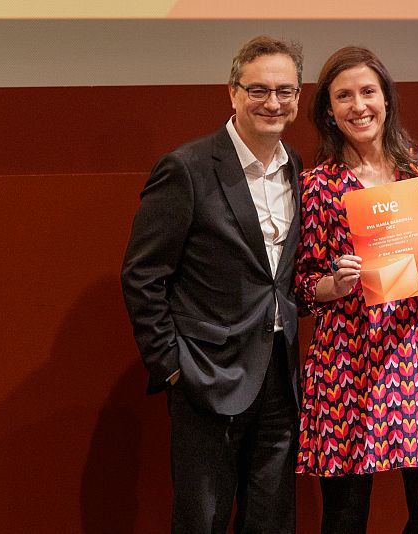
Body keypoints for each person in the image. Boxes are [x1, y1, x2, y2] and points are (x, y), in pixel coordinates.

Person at [121, 36, 304, 533]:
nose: (273, 102)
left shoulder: (299, 172)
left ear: (298, 97)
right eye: (259, 90)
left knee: (271, 524)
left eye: (285, 91)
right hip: (207, 379)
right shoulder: (188, 168)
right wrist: (172, 366)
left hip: (280, 380)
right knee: (202, 522)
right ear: (232, 92)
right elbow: (142, 275)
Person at [294, 46, 418, 534]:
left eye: (368, 92)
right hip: (346, 359)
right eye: (344, 96)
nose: (359, 106)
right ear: (328, 111)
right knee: (346, 516)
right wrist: (334, 283)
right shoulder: (315, 186)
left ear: (387, 99)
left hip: (417, 350)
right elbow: (303, 284)